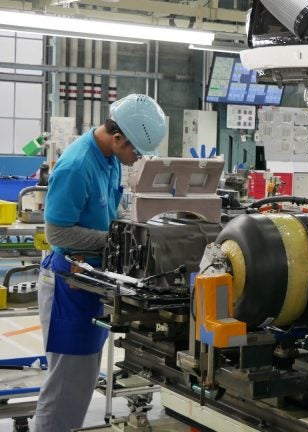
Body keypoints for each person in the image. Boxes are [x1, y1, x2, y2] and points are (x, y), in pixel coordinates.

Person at [34, 94, 167, 431]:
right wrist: (118, 241)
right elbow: (58, 232)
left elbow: (111, 212)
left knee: (80, 382)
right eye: (134, 150)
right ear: (117, 136)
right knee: (65, 385)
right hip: (69, 283)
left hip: (90, 282)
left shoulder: (108, 159)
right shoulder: (78, 165)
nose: (134, 158)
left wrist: (132, 226)